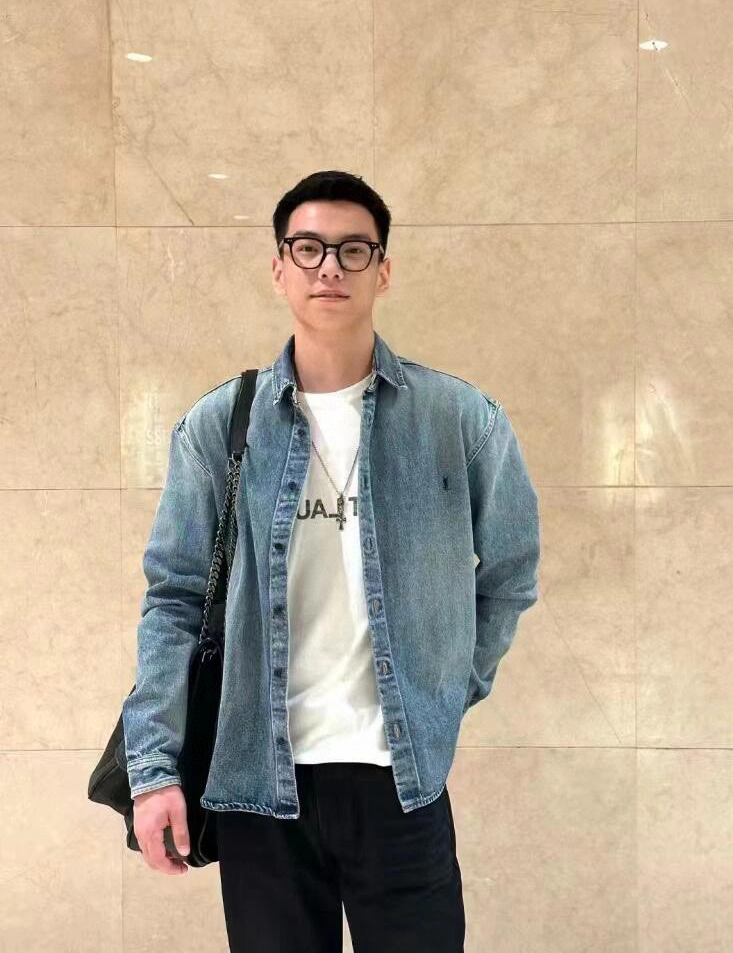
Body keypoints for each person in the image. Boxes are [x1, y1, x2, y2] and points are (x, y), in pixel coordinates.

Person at [124, 170, 541, 952]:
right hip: (258, 780)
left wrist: (448, 686)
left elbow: (511, 572)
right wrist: (154, 772)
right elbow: (173, 599)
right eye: (308, 248)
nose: (330, 268)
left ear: (384, 271)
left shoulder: (459, 418)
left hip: (400, 781)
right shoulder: (221, 424)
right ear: (278, 268)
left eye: (354, 250)